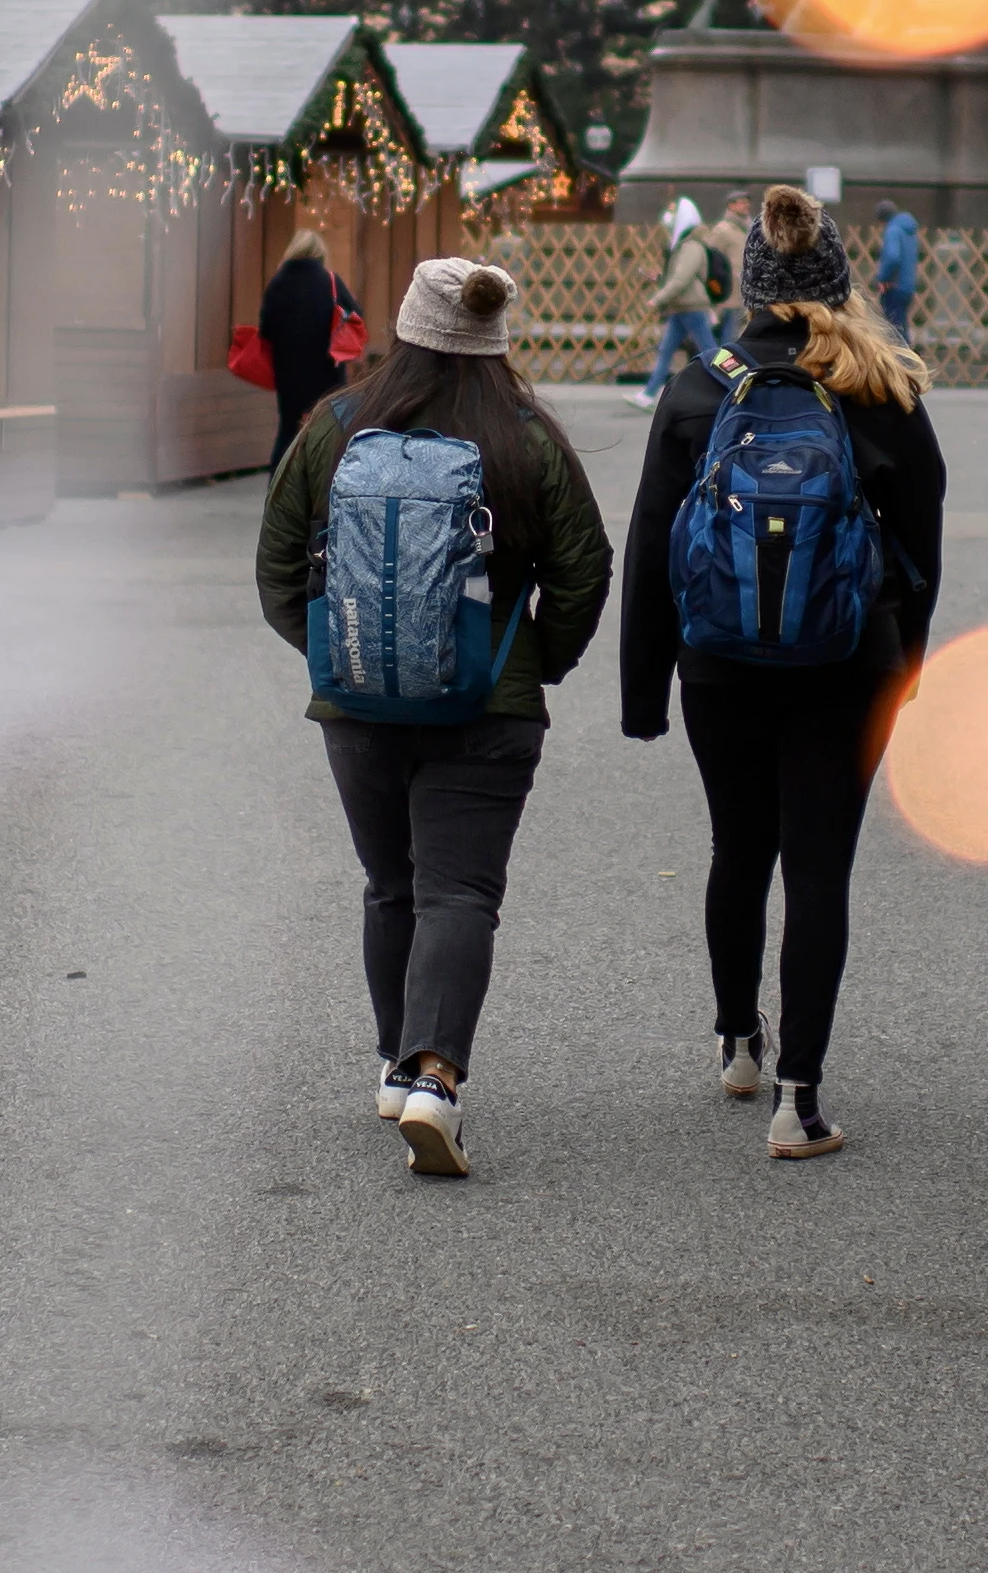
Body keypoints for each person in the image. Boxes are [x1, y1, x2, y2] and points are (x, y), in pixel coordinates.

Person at [257, 257, 613, 1177]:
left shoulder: (334, 427)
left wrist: (340, 656)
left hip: (359, 707)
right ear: (494, 341)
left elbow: (277, 564)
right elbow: (584, 568)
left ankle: (392, 1063)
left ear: (406, 330)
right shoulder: (527, 438)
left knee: (391, 883)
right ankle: (436, 1080)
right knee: (459, 891)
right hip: (488, 703)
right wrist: (537, 661)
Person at [623, 184, 945, 1161]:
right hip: (849, 662)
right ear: (840, 281)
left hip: (718, 662)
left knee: (738, 849)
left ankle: (736, 1041)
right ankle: (798, 1100)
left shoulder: (699, 388)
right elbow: (922, 544)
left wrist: (645, 690)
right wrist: (909, 664)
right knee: (818, 868)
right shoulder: (878, 387)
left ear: (751, 290)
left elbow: (650, 543)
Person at [255, 223, 359, 460]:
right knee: (330, 430)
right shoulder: (330, 281)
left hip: (288, 374)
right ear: (319, 254)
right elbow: (356, 316)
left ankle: (280, 488)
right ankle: (324, 483)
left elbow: (266, 330)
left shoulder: (277, 284)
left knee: (288, 430)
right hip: (327, 371)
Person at [631, 195, 724, 410]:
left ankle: (729, 388)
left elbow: (682, 279)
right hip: (682, 307)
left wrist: (658, 298)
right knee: (668, 350)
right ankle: (648, 393)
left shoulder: (691, 246)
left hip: (691, 306)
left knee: (709, 351)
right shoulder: (686, 245)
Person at [871, 202, 925, 342]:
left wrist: (882, 278)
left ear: (882, 219)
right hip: (907, 286)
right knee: (901, 327)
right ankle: (908, 360)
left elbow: (893, 257)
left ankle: (904, 362)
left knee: (894, 333)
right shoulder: (909, 231)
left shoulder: (893, 230)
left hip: (893, 286)